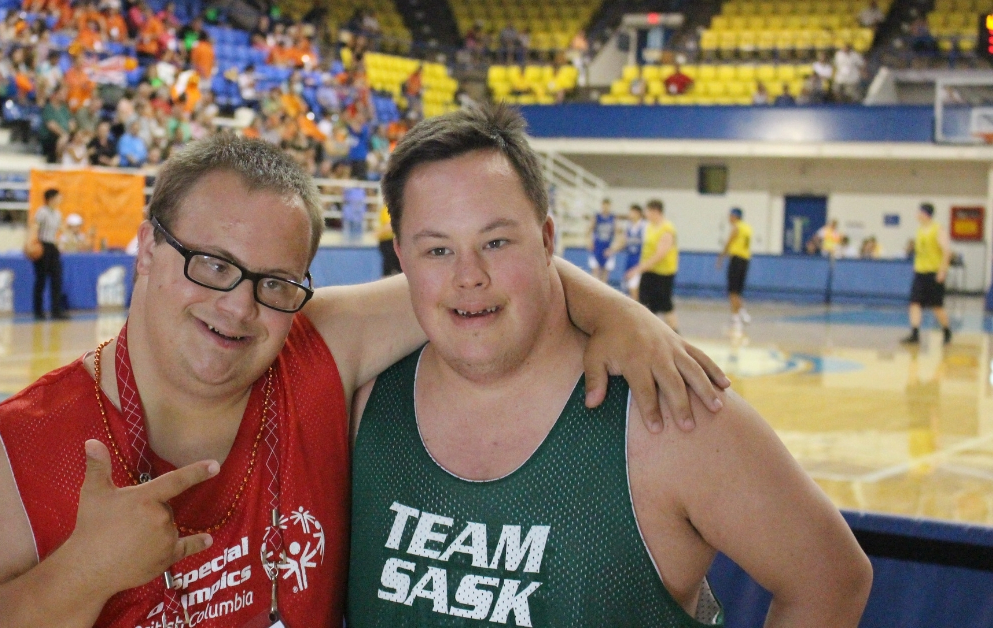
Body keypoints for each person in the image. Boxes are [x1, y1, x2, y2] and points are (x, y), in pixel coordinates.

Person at [0, 136, 730, 628]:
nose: (237, 306)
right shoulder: (20, 443)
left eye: (276, 282)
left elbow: (476, 278)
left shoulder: (316, 354)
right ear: (146, 248)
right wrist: (81, 575)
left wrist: (624, 316)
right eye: (209, 265)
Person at [347, 104, 872, 626]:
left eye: (497, 242)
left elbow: (831, 580)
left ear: (548, 240)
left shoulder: (665, 409)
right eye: (437, 251)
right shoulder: (358, 403)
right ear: (400, 256)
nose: (470, 276)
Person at [902, 203, 951, 345]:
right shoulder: (919, 230)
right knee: (914, 302)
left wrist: (942, 271)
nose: (917, 215)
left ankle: (947, 330)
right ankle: (915, 333)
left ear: (925, 213)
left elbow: (947, 251)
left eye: (919, 212)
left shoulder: (938, 229)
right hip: (920, 272)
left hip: (934, 272)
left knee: (936, 306)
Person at [627, 199, 679, 330]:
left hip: (663, 273)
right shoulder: (649, 226)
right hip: (649, 271)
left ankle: (676, 335)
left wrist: (637, 269)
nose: (646, 214)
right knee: (646, 305)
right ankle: (649, 333)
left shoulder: (667, 229)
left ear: (656, 211)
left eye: (648, 211)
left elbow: (660, 254)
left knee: (666, 306)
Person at [30, 188, 68, 320]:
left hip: (53, 247)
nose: (60, 199)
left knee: (56, 279)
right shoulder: (42, 212)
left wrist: (70, 239)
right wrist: (31, 243)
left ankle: (56, 311)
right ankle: (38, 311)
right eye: (58, 197)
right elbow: (34, 227)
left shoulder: (57, 214)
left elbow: (61, 229)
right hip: (42, 246)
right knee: (41, 280)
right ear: (51, 198)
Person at [718, 207, 752, 334]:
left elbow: (728, 243)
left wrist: (721, 257)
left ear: (734, 216)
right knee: (738, 290)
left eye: (730, 216)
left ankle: (735, 317)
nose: (728, 218)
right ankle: (743, 313)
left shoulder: (736, 227)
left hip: (736, 259)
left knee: (732, 290)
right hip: (745, 260)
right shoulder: (747, 227)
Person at [588, 198, 617, 282]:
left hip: (607, 247)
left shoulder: (613, 218)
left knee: (605, 275)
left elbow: (618, 234)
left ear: (610, 206)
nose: (605, 208)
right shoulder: (596, 217)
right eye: (604, 206)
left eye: (607, 206)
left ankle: (603, 293)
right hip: (597, 247)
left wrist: (613, 248)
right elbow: (588, 230)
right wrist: (589, 242)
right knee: (595, 273)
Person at [376, 205, 400, 276]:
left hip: (389, 242)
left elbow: (389, 226)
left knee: (390, 269)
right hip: (389, 242)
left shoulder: (388, 209)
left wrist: (376, 234)